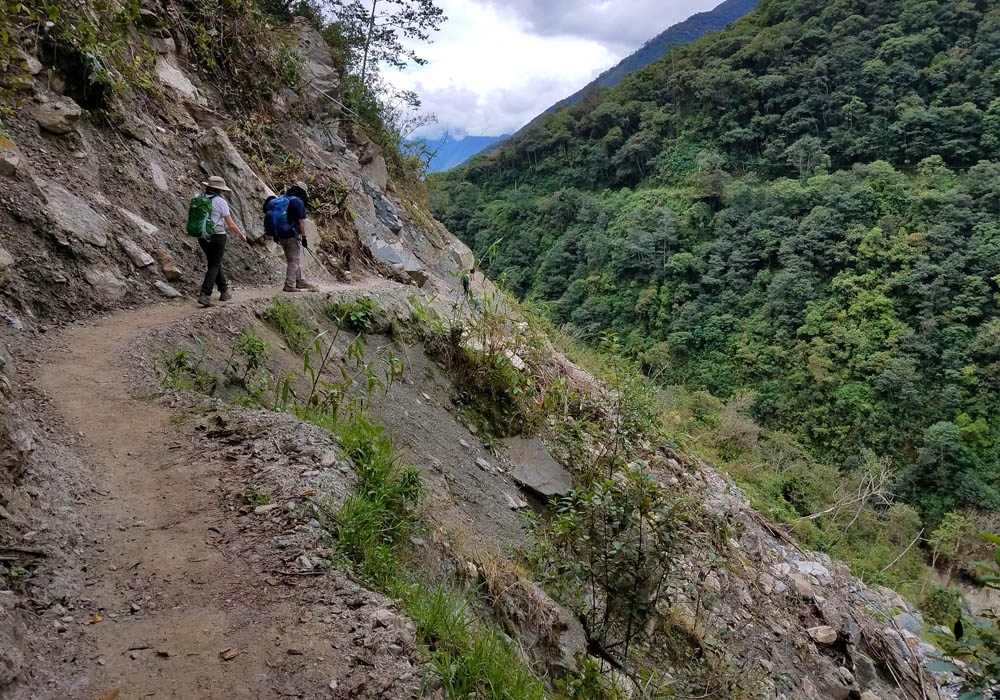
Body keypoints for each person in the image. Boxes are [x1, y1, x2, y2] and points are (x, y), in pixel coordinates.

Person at [197, 175, 247, 307]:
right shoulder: (220, 201)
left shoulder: (200, 198)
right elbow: (230, 223)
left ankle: (224, 291)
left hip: (202, 236)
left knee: (214, 262)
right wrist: (241, 234)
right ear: (219, 190)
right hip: (217, 236)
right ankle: (205, 294)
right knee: (214, 264)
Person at [274, 183, 318, 293]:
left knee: (294, 258)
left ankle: (301, 281)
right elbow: (300, 222)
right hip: (291, 235)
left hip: (281, 234)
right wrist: (304, 237)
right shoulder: (297, 201)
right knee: (293, 260)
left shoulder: (282, 199)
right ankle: (289, 284)